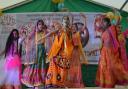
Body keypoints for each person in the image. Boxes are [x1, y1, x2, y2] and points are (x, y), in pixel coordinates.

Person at [95, 17, 128, 88]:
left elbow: (117, 21)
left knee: (114, 67)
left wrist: (117, 15)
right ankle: (106, 84)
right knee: (104, 68)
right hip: (104, 53)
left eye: (104, 22)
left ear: (108, 23)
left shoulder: (111, 29)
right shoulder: (103, 33)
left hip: (111, 52)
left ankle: (122, 79)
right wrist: (94, 50)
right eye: (102, 22)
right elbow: (101, 45)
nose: (102, 23)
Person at [45, 16, 74, 88]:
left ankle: (61, 84)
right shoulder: (60, 30)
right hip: (58, 52)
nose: (66, 22)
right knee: (54, 67)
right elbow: (52, 33)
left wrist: (68, 11)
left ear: (69, 22)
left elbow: (69, 41)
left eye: (67, 20)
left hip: (65, 53)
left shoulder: (69, 30)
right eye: (64, 21)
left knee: (63, 69)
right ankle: (53, 83)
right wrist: (44, 37)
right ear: (62, 22)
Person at [21, 20, 47, 89]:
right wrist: (25, 34)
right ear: (37, 25)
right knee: (35, 66)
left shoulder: (45, 32)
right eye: (39, 24)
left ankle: (40, 82)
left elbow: (50, 36)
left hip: (42, 51)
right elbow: (29, 38)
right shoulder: (34, 32)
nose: (40, 26)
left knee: (41, 65)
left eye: (41, 24)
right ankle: (34, 82)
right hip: (36, 51)